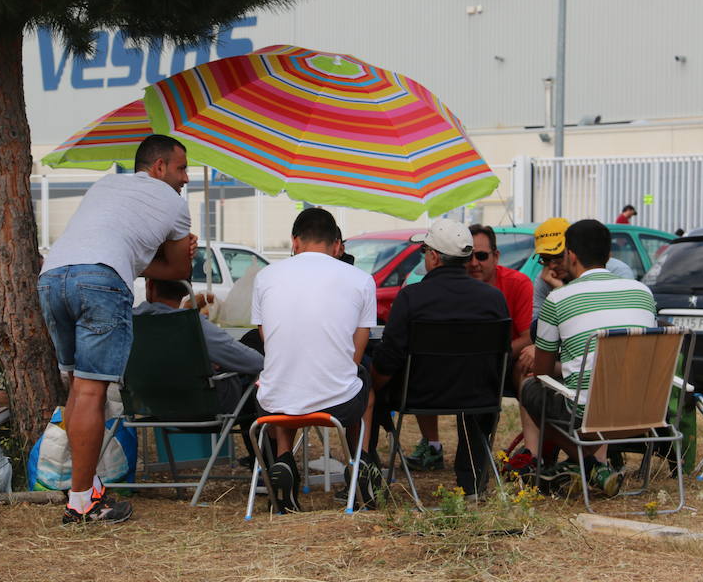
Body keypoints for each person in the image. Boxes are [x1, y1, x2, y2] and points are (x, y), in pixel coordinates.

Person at [38, 134, 196, 525]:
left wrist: (134, 258)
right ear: (158, 167)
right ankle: (81, 503)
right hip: (102, 281)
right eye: (181, 168)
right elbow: (177, 272)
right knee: (92, 390)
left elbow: (113, 243)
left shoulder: (104, 184)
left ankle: (87, 488)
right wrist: (180, 251)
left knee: (78, 385)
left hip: (53, 276)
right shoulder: (175, 204)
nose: (186, 178)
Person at [251, 207, 380, 511]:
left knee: (283, 376)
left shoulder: (265, 277)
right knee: (364, 385)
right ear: (337, 245)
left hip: (273, 404)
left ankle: (283, 459)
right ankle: (359, 462)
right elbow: (355, 352)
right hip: (339, 404)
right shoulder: (361, 280)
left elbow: (269, 339)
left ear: (294, 242)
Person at [518, 219, 656, 496]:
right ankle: (596, 464)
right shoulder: (643, 292)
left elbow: (542, 374)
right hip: (646, 412)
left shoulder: (559, 298)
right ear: (608, 256)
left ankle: (590, 464)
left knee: (530, 388)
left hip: (589, 416)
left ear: (570, 255)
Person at [372, 219, 509, 496]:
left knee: (367, 388)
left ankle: (370, 475)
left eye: (424, 251)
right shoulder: (493, 298)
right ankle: (472, 482)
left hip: (418, 396)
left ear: (433, 257)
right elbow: (501, 355)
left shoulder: (412, 297)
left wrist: (374, 384)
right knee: (478, 387)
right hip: (479, 396)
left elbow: (389, 358)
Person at [403, 224, 533, 472]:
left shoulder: (517, 284)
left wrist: (495, 356)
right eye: (468, 255)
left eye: (481, 256)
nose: (474, 263)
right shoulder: (456, 290)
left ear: (496, 256)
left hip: (501, 365)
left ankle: (531, 454)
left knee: (526, 369)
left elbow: (526, 338)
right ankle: (436, 447)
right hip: (464, 375)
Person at [134, 278, 264, 411]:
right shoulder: (195, 326)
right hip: (206, 406)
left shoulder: (131, 323)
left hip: (151, 403)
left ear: (149, 285)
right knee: (254, 341)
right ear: (187, 288)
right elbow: (257, 363)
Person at [531, 218, 634, 321]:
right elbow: (536, 329)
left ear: (571, 251)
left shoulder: (618, 272)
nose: (552, 266)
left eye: (558, 257)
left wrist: (562, 292)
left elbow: (607, 320)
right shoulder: (545, 279)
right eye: (546, 259)